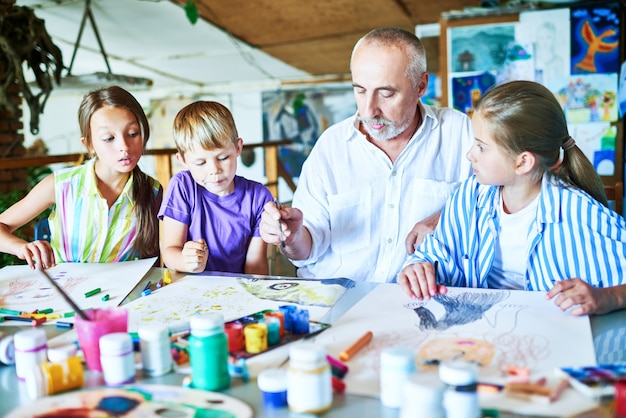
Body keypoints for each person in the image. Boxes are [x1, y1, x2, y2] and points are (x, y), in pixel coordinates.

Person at [259, 27, 473, 282]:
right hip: (334, 299)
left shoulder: (461, 134)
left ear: (421, 85)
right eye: (360, 90)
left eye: (386, 93)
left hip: (422, 303)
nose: (369, 110)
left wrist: (446, 219)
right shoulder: (331, 146)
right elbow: (306, 250)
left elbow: (509, 194)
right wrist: (291, 237)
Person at [398, 80, 626, 316]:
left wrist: (609, 296)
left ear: (523, 162)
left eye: (482, 147)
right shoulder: (468, 195)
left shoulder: (580, 212)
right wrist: (417, 267)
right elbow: (434, 254)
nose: (470, 155)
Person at [0, 86, 162, 269]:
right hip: (66, 290)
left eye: (133, 134)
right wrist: (21, 248)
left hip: (122, 293)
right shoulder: (61, 185)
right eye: (109, 138)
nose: (124, 146)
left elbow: (153, 261)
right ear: (89, 144)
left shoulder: (153, 191)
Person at [158, 101, 273, 274]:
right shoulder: (183, 186)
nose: (214, 170)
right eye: (200, 162)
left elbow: (255, 266)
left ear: (238, 148)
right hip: (186, 290)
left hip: (236, 291)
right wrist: (185, 261)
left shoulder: (259, 197)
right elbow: (169, 251)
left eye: (223, 157)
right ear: (183, 161)